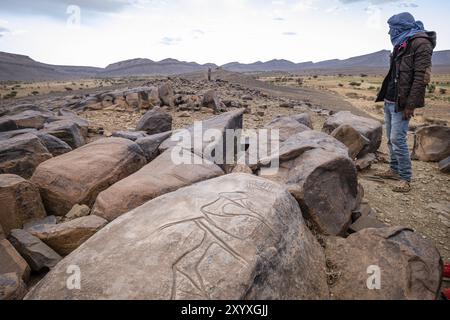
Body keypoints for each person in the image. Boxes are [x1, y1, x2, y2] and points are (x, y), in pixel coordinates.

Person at [375, 12, 436, 193]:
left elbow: (420, 78)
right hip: (390, 98)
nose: (389, 33)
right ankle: (393, 169)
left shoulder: (421, 43)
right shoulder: (401, 43)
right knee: (390, 138)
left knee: (397, 139)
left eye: (392, 28)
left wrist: (410, 105)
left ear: (401, 27)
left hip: (402, 103)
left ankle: (405, 177)